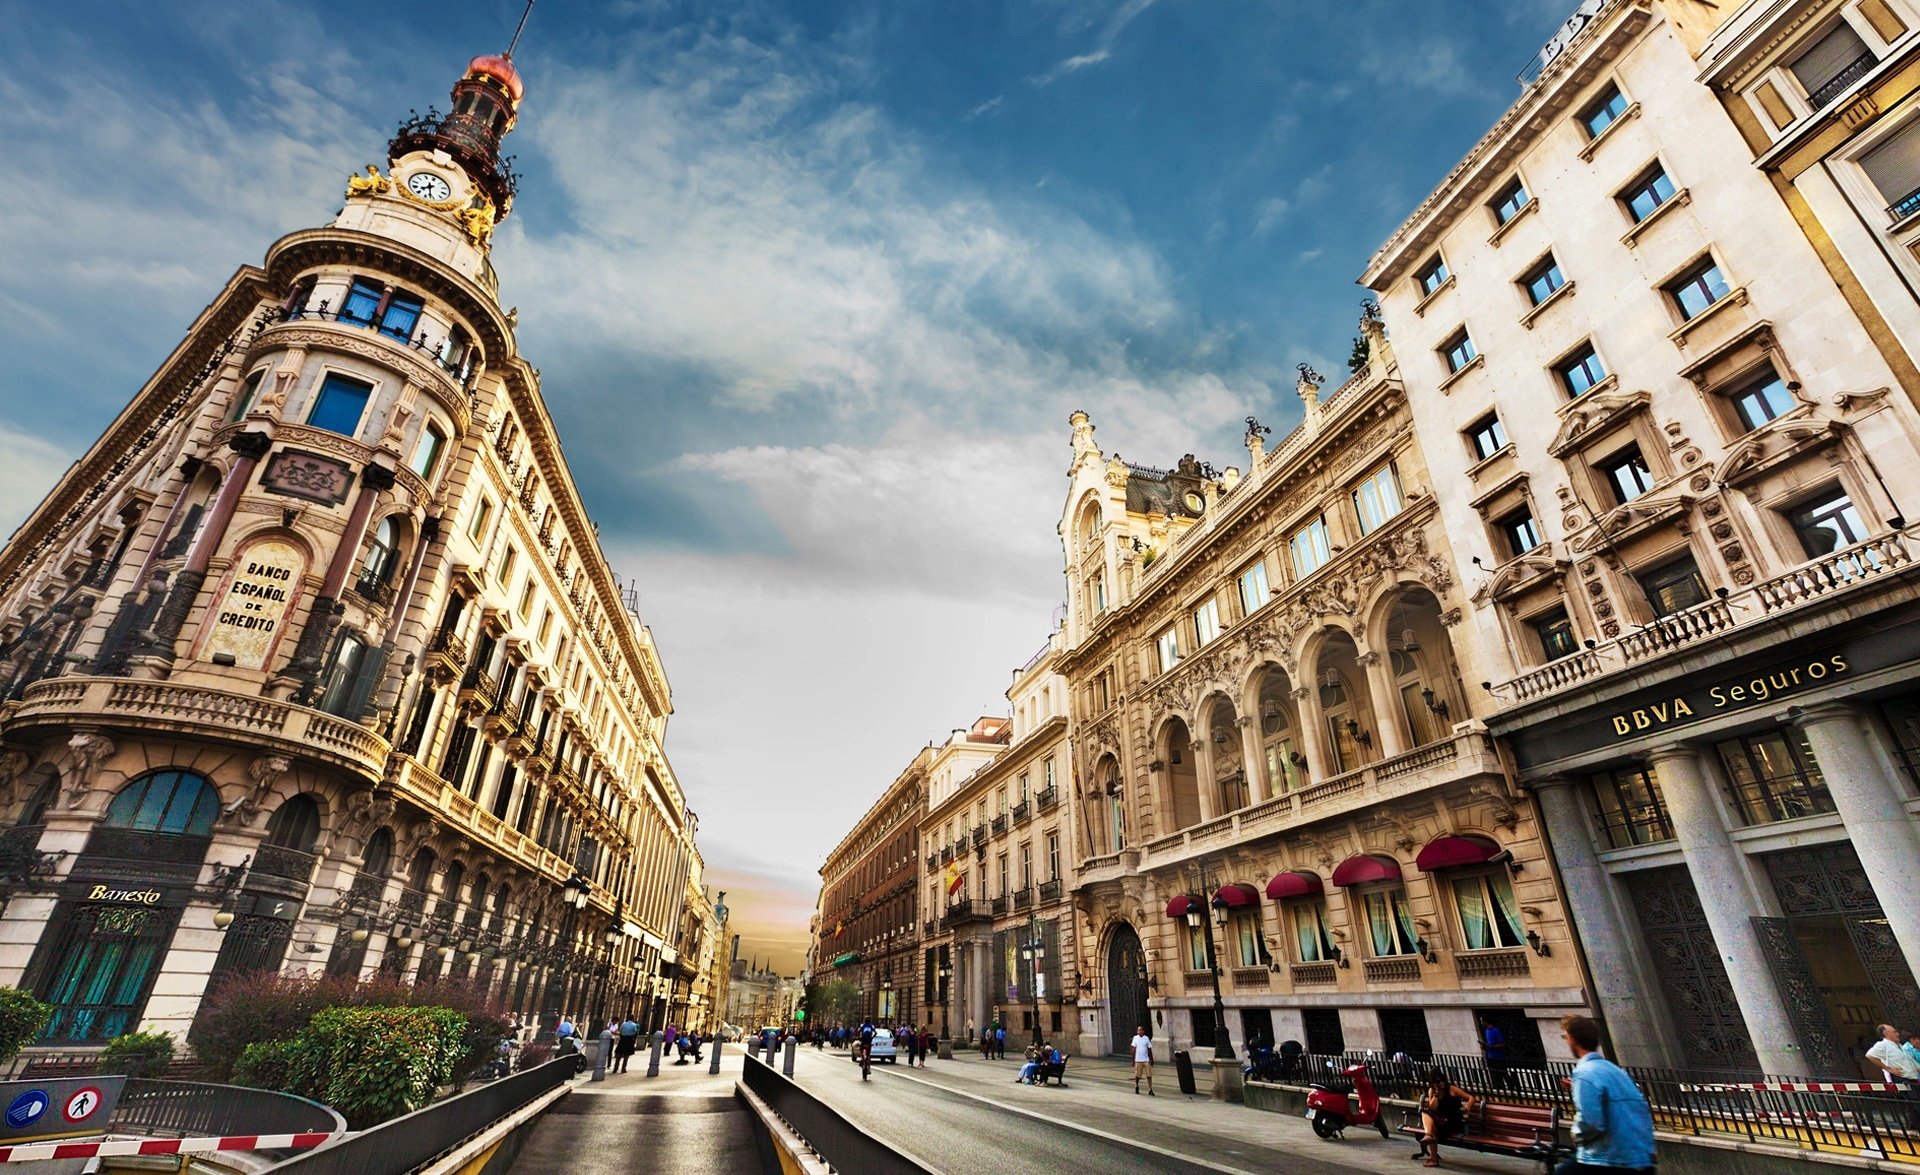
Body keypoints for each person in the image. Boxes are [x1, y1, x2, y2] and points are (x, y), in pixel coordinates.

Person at [1556, 1014, 1655, 1175]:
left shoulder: (1584, 1073)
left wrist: (1576, 1134)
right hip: (1639, 1155)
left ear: (1572, 1039)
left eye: (1564, 1037)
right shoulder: (1614, 1070)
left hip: (1608, 1157)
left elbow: (1592, 1122)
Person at [1417, 1067, 1476, 1168]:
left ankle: (1432, 1153)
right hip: (1441, 1122)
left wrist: (1469, 1105)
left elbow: (1471, 1097)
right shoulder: (1432, 1091)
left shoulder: (1452, 1089)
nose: (1442, 1083)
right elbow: (1432, 1107)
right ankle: (1430, 1142)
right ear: (1434, 1083)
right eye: (1439, 1082)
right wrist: (1435, 1093)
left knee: (1431, 1126)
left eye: (1443, 1080)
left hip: (1453, 1122)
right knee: (1426, 1114)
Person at [1479, 1015, 1509, 1089]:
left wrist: (1490, 1046)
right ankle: (1498, 1087)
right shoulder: (1486, 1031)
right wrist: (1485, 1047)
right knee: (1494, 1073)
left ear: (1486, 1021)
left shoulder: (1496, 1030)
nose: (1481, 1023)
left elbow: (1502, 1044)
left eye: (1482, 1021)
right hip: (1490, 1056)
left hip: (1498, 1056)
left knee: (1503, 1073)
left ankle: (1510, 1087)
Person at [1130, 1025, 1155, 1096]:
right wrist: (1133, 1060)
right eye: (1138, 1030)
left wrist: (1151, 1059)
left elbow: (1149, 1049)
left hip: (1146, 1059)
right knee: (1137, 1075)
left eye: (1140, 1030)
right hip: (1138, 1059)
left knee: (1149, 1075)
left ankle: (1150, 1089)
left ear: (1143, 1031)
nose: (1139, 1031)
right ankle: (1136, 1086)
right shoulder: (1135, 1038)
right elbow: (1133, 1049)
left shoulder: (1146, 1038)